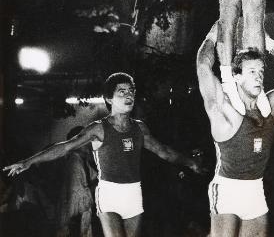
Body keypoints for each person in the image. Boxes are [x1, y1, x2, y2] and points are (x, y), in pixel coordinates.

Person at [3, 72, 203, 237]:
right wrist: (28, 161)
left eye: (131, 91)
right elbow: (66, 147)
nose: (128, 95)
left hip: (134, 193)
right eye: (122, 92)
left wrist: (190, 163)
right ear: (109, 98)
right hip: (109, 194)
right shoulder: (99, 128)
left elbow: (163, 151)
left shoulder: (140, 129)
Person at [196, 22, 274, 237]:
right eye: (251, 71)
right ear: (237, 76)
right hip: (227, 189)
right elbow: (203, 68)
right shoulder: (225, 108)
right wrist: (210, 39)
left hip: (255, 191)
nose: (258, 76)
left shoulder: (269, 109)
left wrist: (269, 43)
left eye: (261, 72)